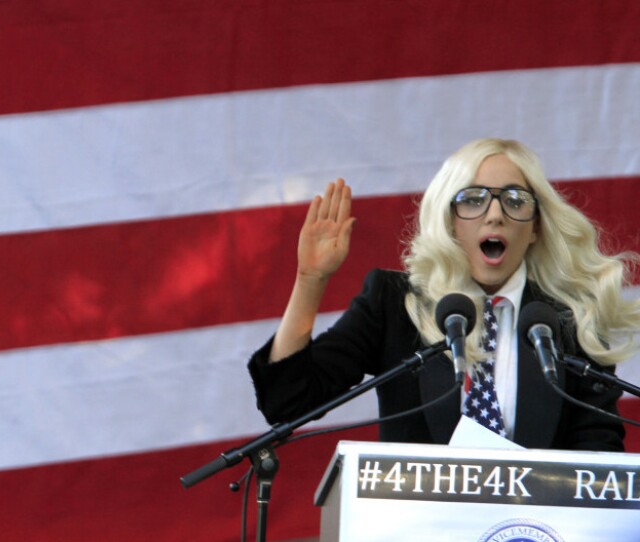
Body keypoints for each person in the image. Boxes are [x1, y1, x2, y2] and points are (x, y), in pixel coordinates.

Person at [248, 138, 640, 451]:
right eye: (473, 199)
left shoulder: (568, 321)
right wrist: (310, 280)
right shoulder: (395, 303)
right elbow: (287, 402)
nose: (495, 214)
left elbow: (597, 458)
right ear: (449, 221)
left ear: (536, 227)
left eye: (515, 200)